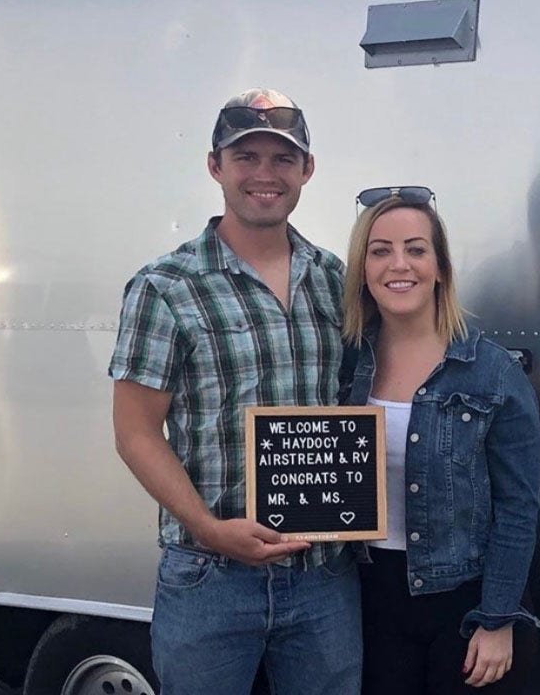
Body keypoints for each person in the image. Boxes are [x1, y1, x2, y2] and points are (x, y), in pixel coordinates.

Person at [109, 88, 362, 695]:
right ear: (215, 166)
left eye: (282, 159)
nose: (264, 176)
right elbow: (135, 432)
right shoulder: (165, 286)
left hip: (323, 576)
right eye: (246, 157)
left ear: (307, 170)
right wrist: (207, 527)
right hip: (210, 577)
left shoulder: (335, 279)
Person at [337, 187, 540, 694]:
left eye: (416, 248)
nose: (398, 264)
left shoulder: (492, 371)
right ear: (363, 269)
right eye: (380, 250)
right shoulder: (343, 367)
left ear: (441, 267)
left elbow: (519, 507)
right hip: (361, 598)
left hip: (461, 603)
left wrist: (496, 619)